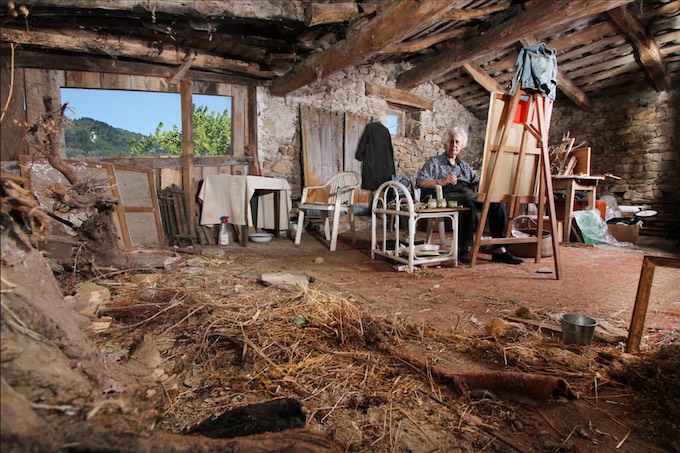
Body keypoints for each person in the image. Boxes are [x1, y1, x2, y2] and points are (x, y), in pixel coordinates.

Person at [416, 125, 523, 265]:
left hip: (468, 192)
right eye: (451, 141)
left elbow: (477, 181)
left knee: (496, 202)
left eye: (457, 142)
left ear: (462, 145)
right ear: (445, 143)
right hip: (445, 194)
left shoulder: (464, 166)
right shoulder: (434, 162)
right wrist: (441, 181)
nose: (454, 145)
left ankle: (499, 249)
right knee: (467, 202)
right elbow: (420, 181)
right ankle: (464, 248)